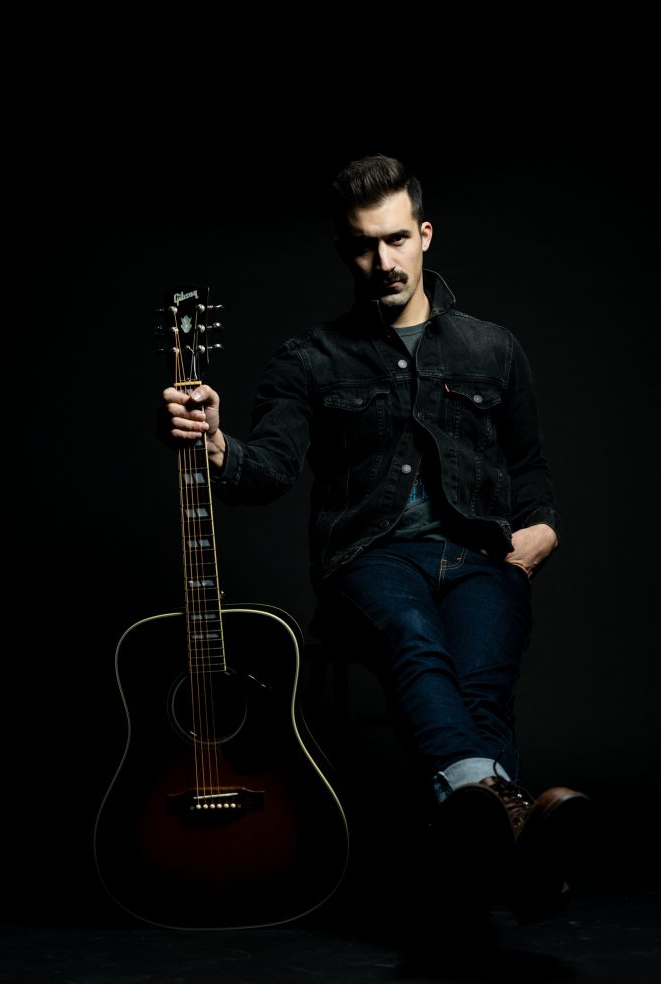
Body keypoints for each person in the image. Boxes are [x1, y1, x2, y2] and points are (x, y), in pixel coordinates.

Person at [159, 154, 592, 927]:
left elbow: (528, 468)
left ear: (423, 235)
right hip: (370, 561)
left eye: (395, 239)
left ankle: (487, 853)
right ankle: (511, 832)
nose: (383, 261)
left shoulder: (493, 348)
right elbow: (267, 470)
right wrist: (216, 442)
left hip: (481, 556)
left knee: (481, 685)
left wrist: (541, 532)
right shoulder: (309, 359)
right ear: (344, 251)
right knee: (413, 636)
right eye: (363, 245)